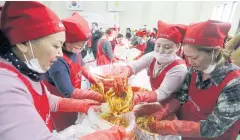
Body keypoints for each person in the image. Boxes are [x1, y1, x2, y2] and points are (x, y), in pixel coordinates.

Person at [0, 2, 127, 140]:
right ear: (23, 44)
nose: (60, 53)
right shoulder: (6, 87)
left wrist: (85, 105)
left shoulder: (27, 70)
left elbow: (49, 100)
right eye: (56, 46)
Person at [134, 20, 240, 140]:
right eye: (187, 57)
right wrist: (164, 111)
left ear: (215, 52)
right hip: (187, 134)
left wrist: (169, 127)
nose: (189, 62)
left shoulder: (234, 83)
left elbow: (214, 126)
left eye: (194, 57)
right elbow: (182, 95)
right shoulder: (195, 70)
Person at [44, 13, 106, 132]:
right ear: (66, 41)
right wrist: (92, 95)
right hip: (62, 104)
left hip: (76, 96)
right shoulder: (58, 62)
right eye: (80, 44)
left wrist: (94, 79)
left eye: (84, 44)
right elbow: (68, 92)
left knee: (78, 122)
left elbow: (82, 66)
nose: (82, 47)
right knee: (68, 130)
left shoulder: (74, 50)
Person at [122, 20, 188, 105]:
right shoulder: (152, 56)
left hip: (170, 106)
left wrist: (139, 97)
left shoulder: (179, 68)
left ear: (178, 47)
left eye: (167, 47)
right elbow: (135, 66)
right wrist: (125, 73)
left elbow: (162, 93)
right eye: (158, 45)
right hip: (156, 100)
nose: (161, 51)